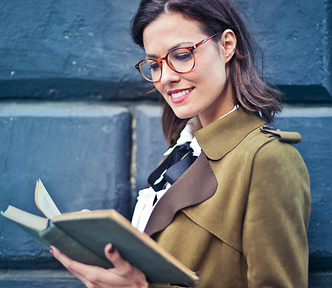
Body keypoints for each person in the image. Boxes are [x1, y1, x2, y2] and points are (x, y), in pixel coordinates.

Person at [51, 0, 311, 287]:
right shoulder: (183, 148)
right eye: (154, 64)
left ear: (226, 45)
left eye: (182, 55)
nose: (166, 78)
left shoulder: (267, 158)